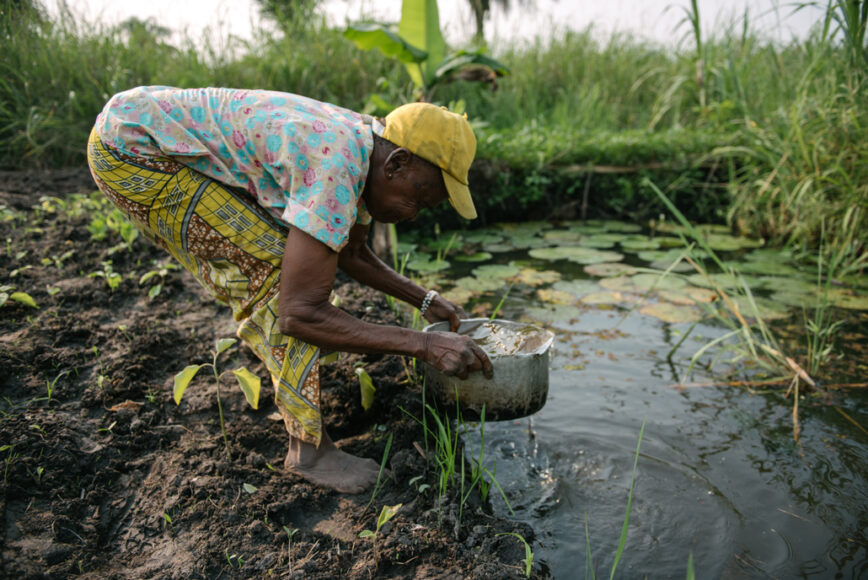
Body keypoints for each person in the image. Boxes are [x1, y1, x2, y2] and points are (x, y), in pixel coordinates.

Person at [86, 86, 493, 493]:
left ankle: (290, 390)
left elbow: (350, 251)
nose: (413, 214)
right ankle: (308, 453)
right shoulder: (337, 166)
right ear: (398, 163)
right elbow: (300, 313)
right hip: (133, 152)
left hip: (135, 130)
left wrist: (423, 299)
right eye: (418, 199)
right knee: (282, 271)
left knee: (302, 263)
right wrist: (422, 345)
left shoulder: (367, 147)